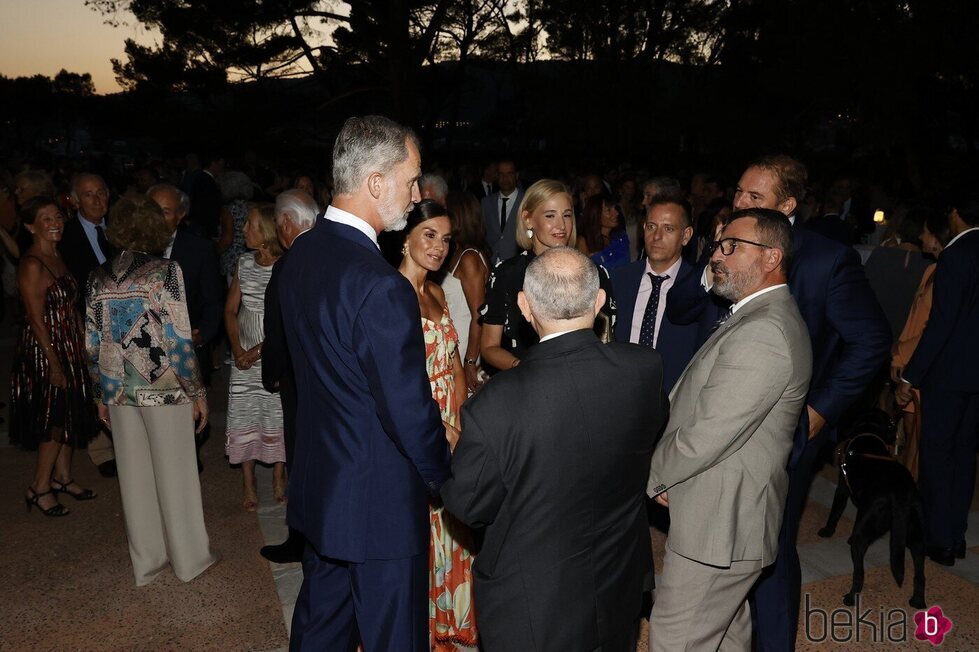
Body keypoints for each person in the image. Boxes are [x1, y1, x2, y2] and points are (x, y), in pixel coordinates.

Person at [668, 155, 891, 650]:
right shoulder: (723, 241)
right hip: (714, 417)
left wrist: (817, 413)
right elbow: (682, 307)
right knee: (714, 539)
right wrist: (715, 259)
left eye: (754, 197)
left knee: (769, 552)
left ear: (788, 205)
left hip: (778, 428)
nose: (738, 203)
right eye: (739, 193)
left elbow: (872, 340)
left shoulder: (825, 258)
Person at [281, 115, 450, 650]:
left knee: (321, 630)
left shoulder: (300, 255)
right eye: (412, 178)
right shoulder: (380, 285)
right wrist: (446, 477)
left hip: (322, 491)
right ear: (376, 183)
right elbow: (406, 411)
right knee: (393, 638)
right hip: (377, 505)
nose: (418, 192)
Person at [442, 247, 667, 651]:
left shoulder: (495, 404)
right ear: (599, 302)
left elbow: (470, 506)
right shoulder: (644, 369)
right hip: (618, 582)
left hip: (534, 604)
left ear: (525, 307)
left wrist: (458, 454)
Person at [648, 208, 812, 649]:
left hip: (720, 523)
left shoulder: (765, 331)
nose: (717, 256)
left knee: (675, 639)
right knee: (724, 637)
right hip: (723, 518)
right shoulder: (753, 316)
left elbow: (709, 432)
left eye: (732, 246)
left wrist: (654, 472)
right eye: (719, 244)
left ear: (772, 256)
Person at [86, 195, 216, 586]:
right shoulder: (165, 272)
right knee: (176, 473)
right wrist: (197, 391)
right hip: (164, 389)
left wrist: (99, 396)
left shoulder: (98, 276)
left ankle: (147, 562)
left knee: (134, 477)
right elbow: (178, 339)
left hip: (119, 391)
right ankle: (190, 560)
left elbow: (91, 344)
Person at [397, 200, 478, 650]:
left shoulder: (438, 291)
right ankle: (424, 624)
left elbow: (453, 363)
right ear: (405, 237)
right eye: (429, 235)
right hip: (420, 418)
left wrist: (461, 420)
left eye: (446, 239)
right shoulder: (394, 294)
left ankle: (450, 616)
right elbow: (398, 380)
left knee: (451, 517)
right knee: (424, 520)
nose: (439, 247)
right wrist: (439, 427)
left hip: (450, 413)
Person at [901, 193, 979, 566]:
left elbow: (941, 323)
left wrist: (911, 374)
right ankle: (956, 535)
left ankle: (938, 539)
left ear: (955, 213)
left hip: (948, 375)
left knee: (936, 456)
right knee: (965, 457)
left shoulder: (955, 255)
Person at [12, 196, 97, 516]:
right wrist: (54, 363)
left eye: (58, 217)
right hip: (44, 349)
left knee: (70, 414)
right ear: (31, 226)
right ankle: (39, 486)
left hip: (68, 345)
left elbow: (69, 306)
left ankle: (62, 478)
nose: (55, 223)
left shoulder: (57, 255)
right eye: (46, 219)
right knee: (54, 420)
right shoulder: (32, 264)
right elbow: (35, 319)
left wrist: (84, 346)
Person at [258, 189, 317, 564]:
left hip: (299, 378)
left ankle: (300, 539)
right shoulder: (337, 253)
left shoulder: (288, 264)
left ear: (287, 223)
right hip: (336, 377)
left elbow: (277, 326)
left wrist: (273, 372)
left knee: (300, 456)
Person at [224, 203, 286, 511]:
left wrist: (257, 350)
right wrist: (237, 350)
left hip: (273, 353)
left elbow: (287, 319)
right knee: (245, 412)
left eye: (249, 224)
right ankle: (248, 483)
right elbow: (230, 310)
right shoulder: (243, 263)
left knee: (276, 413)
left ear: (265, 231)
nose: (243, 230)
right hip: (243, 357)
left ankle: (278, 477)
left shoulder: (286, 265)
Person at [479, 179, 577, 372]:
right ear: (528, 219)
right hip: (522, 388)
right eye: (550, 216)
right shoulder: (507, 274)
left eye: (567, 215)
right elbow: (489, 346)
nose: (561, 225)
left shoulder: (589, 272)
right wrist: (525, 370)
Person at [59, 173, 117, 478]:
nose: (98, 200)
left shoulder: (118, 230)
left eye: (102, 193)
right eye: (89, 195)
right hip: (86, 318)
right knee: (93, 381)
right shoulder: (65, 236)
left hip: (120, 317)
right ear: (75, 201)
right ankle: (101, 449)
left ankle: (121, 442)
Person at [609, 198, 699, 392]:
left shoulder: (698, 290)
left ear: (686, 235)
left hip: (672, 399)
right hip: (619, 393)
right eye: (651, 227)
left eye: (668, 229)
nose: (657, 236)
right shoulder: (619, 279)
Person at [892, 210, 953, 478]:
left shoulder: (949, 275)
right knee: (909, 444)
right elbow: (914, 318)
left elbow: (935, 328)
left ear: (938, 238)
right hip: (910, 362)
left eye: (926, 232)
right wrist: (898, 355)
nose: (920, 236)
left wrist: (902, 355)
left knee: (919, 451)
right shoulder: (931, 269)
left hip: (924, 367)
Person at [443, 191, 490, 393]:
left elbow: (479, 314)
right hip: (455, 346)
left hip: (465, 349)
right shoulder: (459, 253)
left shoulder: (470, 258)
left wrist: (470, 361)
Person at [863, 205, 933, 338]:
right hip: (903, 341)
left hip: (874, 334)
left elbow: (862, 292)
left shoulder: (881, 254)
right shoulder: (929, 265)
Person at [481, 159, 523, 264]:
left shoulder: (526, 201)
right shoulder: (487, 202)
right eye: (501, 174)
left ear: (516, 175)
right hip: (491, 262)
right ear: (496, 176)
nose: (505, 178)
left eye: (509, 173)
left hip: (517, 264)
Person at [217, 171, 255, 283]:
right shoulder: (251, 207)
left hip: (233, 262)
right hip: (251, 258)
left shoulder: (228, 209)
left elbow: (227, 239)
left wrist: (213, 252)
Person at [576, 193, 630, 270]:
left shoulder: (620, 237)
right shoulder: (584, 242)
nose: (616, 213)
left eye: (615, 208)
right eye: (608, 210)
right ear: (596, 214)